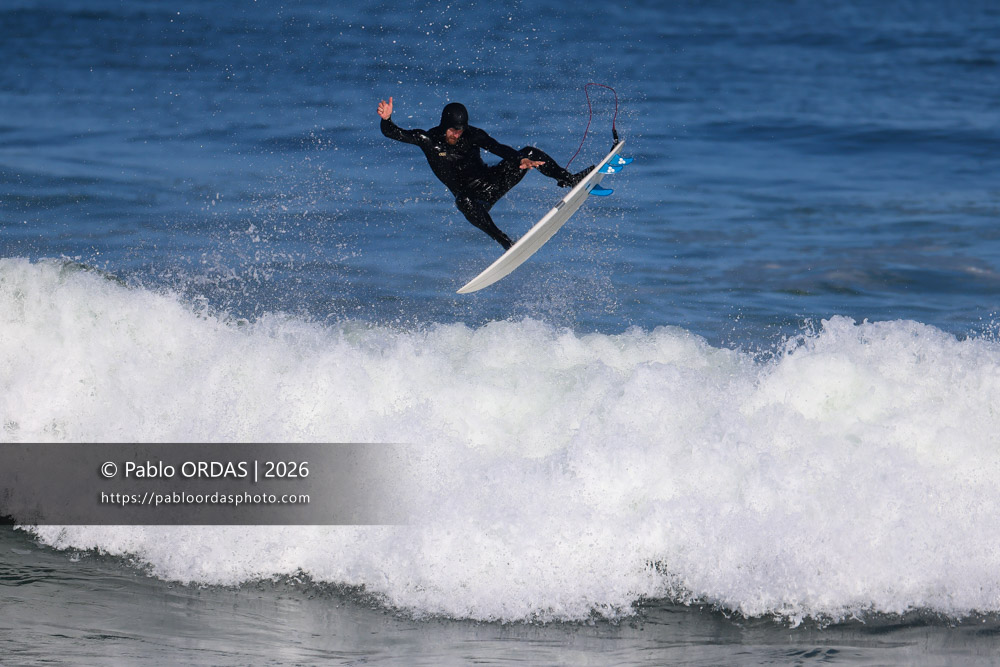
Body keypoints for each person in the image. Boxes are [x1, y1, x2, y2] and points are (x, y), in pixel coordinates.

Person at [377, 97, 592, 250]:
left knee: (528, 152)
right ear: (444, 125)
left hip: (493, 182)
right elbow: (393, 133)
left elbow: (497, 147)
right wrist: (386, 119)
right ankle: (506, 242)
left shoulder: (472, 135)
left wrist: (520, 160)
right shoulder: (428, 140)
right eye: (453, 130)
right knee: (463, 200)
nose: (457, 134)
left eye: (460, 130)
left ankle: (570, 180)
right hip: (475, 201)